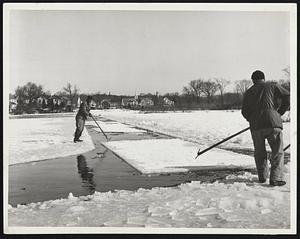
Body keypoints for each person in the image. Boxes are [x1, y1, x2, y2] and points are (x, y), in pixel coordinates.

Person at [242, 70, 290, 186]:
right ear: (263, 78)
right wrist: (279, 113)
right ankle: (275, 178)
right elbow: (287, 96)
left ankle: (262, 177)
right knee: (277, 151)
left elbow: (244, 111)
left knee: (259, 152)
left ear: (253, 80)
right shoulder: (272, 86)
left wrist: (252, 118)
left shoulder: (248, 92)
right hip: (273, 123)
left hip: (256, 126)